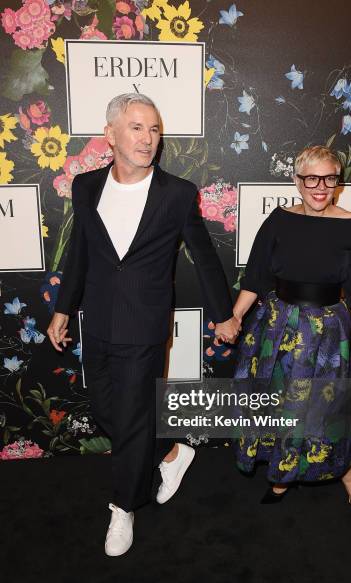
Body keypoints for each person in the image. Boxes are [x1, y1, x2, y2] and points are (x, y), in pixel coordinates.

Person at [47, 93, 240, 556]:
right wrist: (61, 308)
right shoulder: (86, 186)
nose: (147, 138)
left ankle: (123, 507)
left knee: (132, 418)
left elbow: (205, 257)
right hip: (96, 318)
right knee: (106, 411)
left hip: (145, 324)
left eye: (154, 129)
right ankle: (172, 453)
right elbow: (80, 254)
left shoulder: (176, 194)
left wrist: (222, 315)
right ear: (110, 134)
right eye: (136, 127)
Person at [232, 145, 351, 521]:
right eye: (311, 178)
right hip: (279, 323)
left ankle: (348, 474)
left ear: (337, 182)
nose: (320, 187)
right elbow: (257, 277)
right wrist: (235, 316)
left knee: (322, 408)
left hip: (327, 329)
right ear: (297, 180)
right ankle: (282, 475)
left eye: (329, 178)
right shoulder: (279, 220)